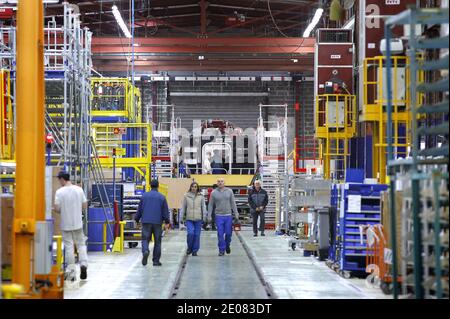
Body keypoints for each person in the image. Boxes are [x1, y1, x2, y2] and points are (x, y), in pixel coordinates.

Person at [53, 171, 88, 281]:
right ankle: (83, 264)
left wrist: (60, 210)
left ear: (62, 179)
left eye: (59, 180)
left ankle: (72, 273)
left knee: (69, 247)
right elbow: (84, 205)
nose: (59, 182)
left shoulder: (60, 192)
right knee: (81, 244)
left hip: (66, 224)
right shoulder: (79, 190)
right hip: (78, 223)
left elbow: (57, 208)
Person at [135, 179, 170, 266]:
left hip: (146, 221)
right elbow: (165, 211)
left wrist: (136, 219)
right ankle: (156, 261)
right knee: (157, 241)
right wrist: (167, 221)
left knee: (145, 239)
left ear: (150, 185)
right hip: (158, 222)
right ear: (158, 186)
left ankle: (146, 251)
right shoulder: (162, 197)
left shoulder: (144, 196)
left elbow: (139, 210)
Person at [208, 178, 239, 256]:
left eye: (222, 181)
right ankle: (221, 250)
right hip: (218, 216)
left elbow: (233, 203)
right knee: (220, 233)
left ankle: (227, 245)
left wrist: (236, 213)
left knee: (228, 233)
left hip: (228, 215)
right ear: (217, 183)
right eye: (218, 181)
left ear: (224, 183)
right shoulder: (213, 193)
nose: (220, 183)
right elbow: (210, 205)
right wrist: (209, 215)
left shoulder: (229, 191)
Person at [179, 182, 207, 256]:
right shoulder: (186, 196)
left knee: (197, 235)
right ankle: (190, 248)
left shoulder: (201, 196)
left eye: (195, 187)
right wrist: (181, 217)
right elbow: (183, 207)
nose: (194, 188)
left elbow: (203, 207)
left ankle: (195, 250)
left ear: (197, 188)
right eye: (192, 186)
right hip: (189, 219)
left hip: (198, 219)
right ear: (190, 187)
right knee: (190, 233)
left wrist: (204, 217)